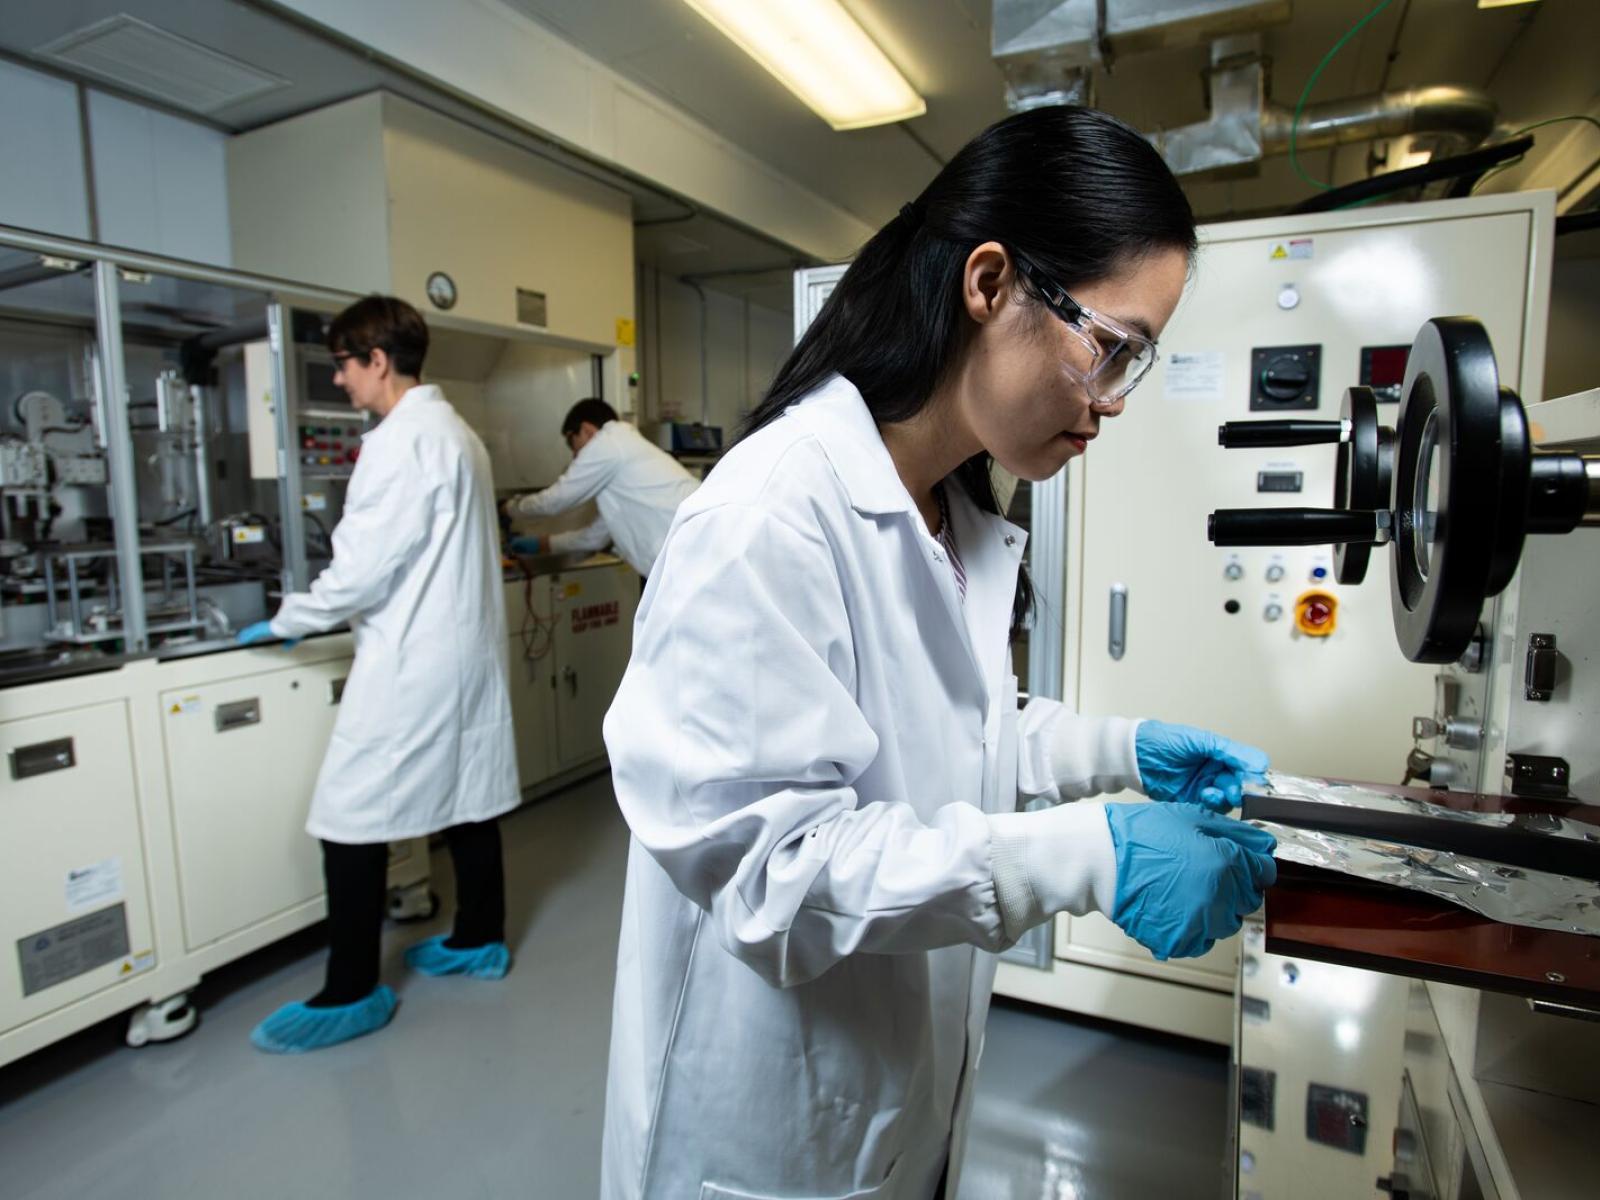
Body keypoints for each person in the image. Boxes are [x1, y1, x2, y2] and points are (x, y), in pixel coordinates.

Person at [599, 106, 1277, 1199]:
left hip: (896, 1083)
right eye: (1108, 352)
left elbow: (963, 731)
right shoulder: (771, 514)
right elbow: (774, 871)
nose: (1107, 404)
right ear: (989, 282)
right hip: (765, 1125)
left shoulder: (949, 509)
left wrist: (1123, 749)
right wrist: (1089, 856)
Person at [236, 295, 520, 1054]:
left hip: (413, 661)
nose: (339, 382)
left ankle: (352, 989)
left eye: (343, 364)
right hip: (463, 654)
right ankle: (479, 937)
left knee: (346, 816)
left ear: (379, 362)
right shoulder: (456, 432)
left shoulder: (399, 442)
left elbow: (360, 572)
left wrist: (288, 619)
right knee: (468, 796)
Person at [501, 398, 699, 578]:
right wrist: (541, 544)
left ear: (587, 430)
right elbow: (594, 538)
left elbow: (554, 501)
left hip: (690, 558)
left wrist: (510, 508)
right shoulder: (624, 464)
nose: (575, 457)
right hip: (692, 557)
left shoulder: (607, 443)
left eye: (573, 444)